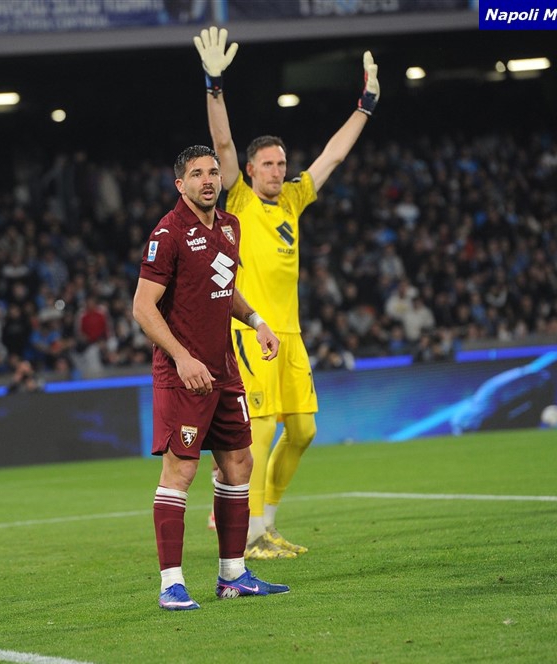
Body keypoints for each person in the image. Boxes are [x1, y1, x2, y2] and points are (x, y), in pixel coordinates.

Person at [193, 26, 380, 560]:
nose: (278, 171)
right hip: (251, 332)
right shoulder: (238, 200)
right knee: (257, 432)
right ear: (250, 171)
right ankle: (247, 534)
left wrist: (365, 106)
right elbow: (222, 144)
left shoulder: (294, 199)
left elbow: (333, 156)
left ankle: (267, 524)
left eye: (281, 163)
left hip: (291, 336)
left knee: (302, 431)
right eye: (268, 164)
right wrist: (214, 86)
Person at [133, 145, 288, 611]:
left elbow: (224, 287)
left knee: (239, 462)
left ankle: (233, 575)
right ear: (180, 184)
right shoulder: (168, 233)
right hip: (182, 374)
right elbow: (142, 307)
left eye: (213, 172)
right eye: (197, 173)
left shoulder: (229, 226)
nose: (208, 180)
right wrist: (182, 358)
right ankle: (171, 584)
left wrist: (257, 320)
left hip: (223, 369)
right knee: (181, 470)